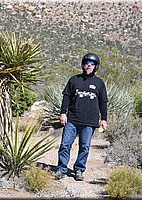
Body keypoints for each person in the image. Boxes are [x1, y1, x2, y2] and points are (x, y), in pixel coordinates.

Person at [55, 52, 108, 181]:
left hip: (89, 121)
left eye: (92, 64)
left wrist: (104, 119)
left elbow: (103, 102)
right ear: (83, 65)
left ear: (96, 66)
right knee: (65, 145)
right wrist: (63, 113)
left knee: (84, 147)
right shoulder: (74, 80)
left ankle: (79, 169)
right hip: (72, 119)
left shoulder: (99, 83)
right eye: (86, 63)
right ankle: (61, 169)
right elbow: (66, 97)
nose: (89, 65)